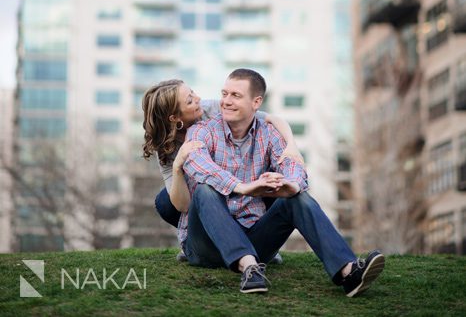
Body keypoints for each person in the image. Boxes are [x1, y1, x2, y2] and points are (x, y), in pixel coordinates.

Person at [179, 68, 385, 296]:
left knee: (297, 196)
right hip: (205, 246)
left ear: (256, 102)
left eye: (235, 96)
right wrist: (244, 187)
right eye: (224, 94)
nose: (226, 101)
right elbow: (196, 162)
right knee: (205, 190)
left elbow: (292, 163)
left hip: (255, 240)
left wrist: (290, 185)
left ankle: (349, 273)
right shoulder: (202, 130)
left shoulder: (268, 134)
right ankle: (249, 269)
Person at [142, 78, 303, 260]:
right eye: (189, 100)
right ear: (174, 118)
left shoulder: (210, 109)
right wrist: (178, 165)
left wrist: (292, 145)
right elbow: (183, 205)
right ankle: (198, 243)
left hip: (242, 180)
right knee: (165, 201)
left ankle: (262, 244)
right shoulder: (165, 146)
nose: (198, 98)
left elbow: (271, 119)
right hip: (207, 192)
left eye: (193, 92)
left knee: (274, 182)